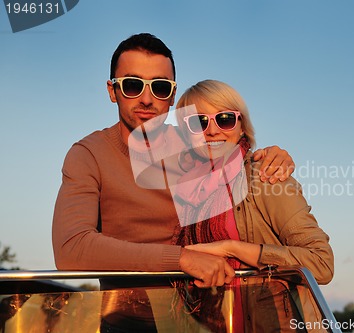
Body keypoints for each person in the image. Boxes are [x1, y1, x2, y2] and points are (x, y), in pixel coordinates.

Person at [51, 33, 296, 332]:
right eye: (131, 84)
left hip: (208, 316)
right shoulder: (88, 154)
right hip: (128, 321)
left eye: (160, 87)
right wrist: (181, 259)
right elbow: (71, 249)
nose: (146, 98)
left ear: (171, 94)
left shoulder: (194, 142)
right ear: (112, 91)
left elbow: (233, 150)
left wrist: (270, 155)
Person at [169, 79, 334, 332]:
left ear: (242, 127)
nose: (211, 131)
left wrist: (232, 248)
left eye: (224, 119)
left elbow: (321, 263)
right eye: (198, 122)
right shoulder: (182, 191)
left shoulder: (265, 176)